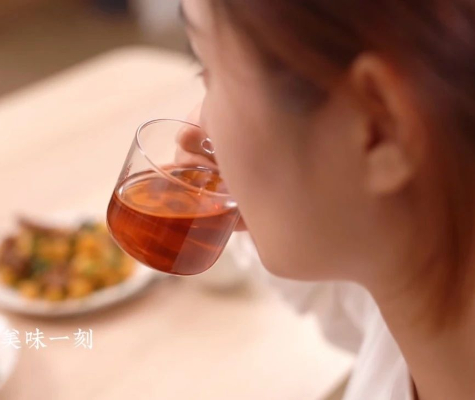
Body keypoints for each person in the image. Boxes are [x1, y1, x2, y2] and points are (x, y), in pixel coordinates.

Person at [177, 1, 475, 399]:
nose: (200, 124)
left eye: (208, 70)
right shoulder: (420, 295)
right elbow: (337, 291)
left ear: (379, 127)